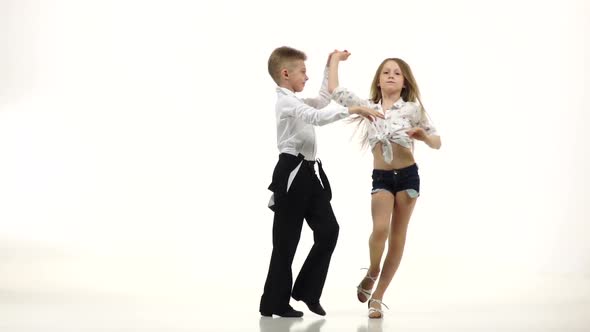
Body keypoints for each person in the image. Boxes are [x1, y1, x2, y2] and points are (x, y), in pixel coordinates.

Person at [259, 46, 383, 318]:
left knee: (329, 231)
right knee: (285, 243)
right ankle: (273, 303)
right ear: (285, 73)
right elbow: (316, 117)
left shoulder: (297, 100)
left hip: (310, 174)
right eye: (303, 71)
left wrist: (331, 64)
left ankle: (306, 291)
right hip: (291, 173)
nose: (307, 76)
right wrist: (352, 110)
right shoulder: (286, 102)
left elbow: (324, 99)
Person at [328, 51, 442, 318]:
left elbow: (437, 141)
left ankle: (377, 297)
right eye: (386, 72)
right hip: (381, 177)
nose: (391, 75)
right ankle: (372, 270)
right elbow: (335, 91)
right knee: (380, 230)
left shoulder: (413, 109)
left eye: (397, 73)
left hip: (407, 176)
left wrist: (423, 136)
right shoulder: (369, 107)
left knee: (397, 237)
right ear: (378, 81)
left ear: (404, 82)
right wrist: (335, 59)